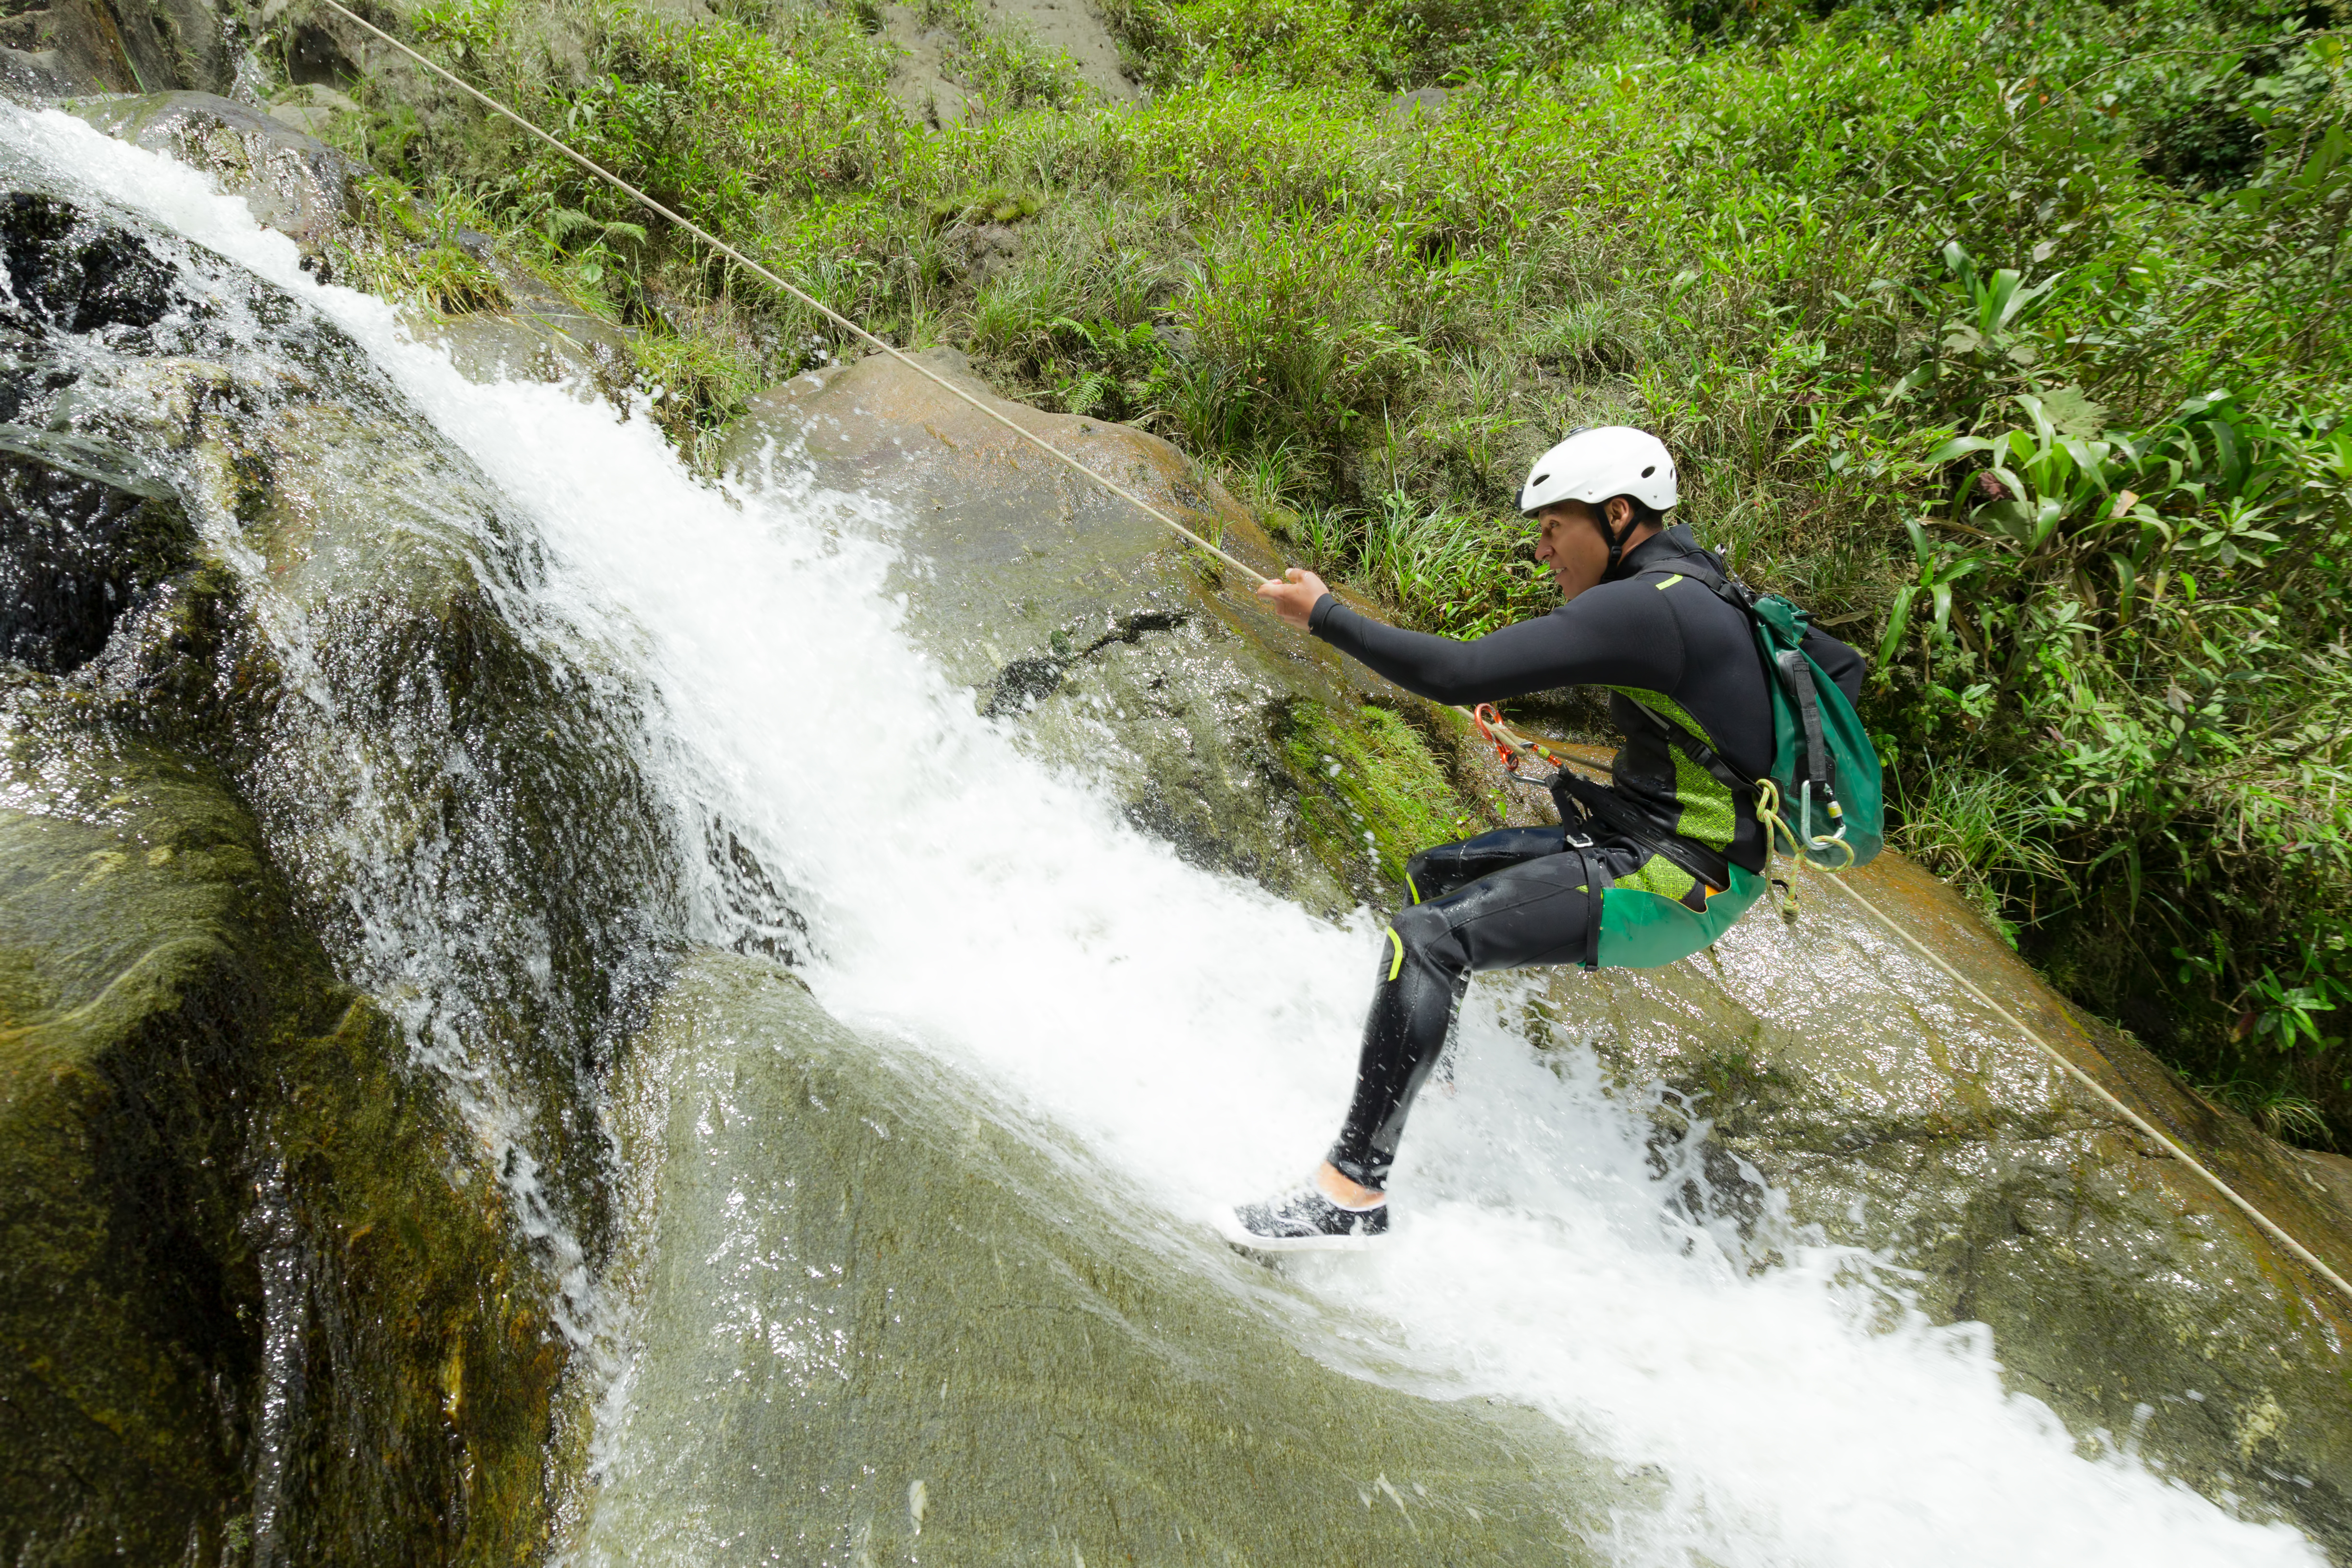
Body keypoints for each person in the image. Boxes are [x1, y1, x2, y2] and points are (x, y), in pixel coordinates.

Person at [1225, 426, 1865, 1250]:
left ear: (1619, 514)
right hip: (1650, 842)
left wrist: (1325, 614)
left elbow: (1459, 674)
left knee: (1425, 940)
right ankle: (1432, 1093)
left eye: (1553, 528)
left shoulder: (1651, 605)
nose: (1541, 552)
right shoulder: (1699, 586)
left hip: (1677, 877)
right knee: (1435, 877)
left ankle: (1351, 1196)